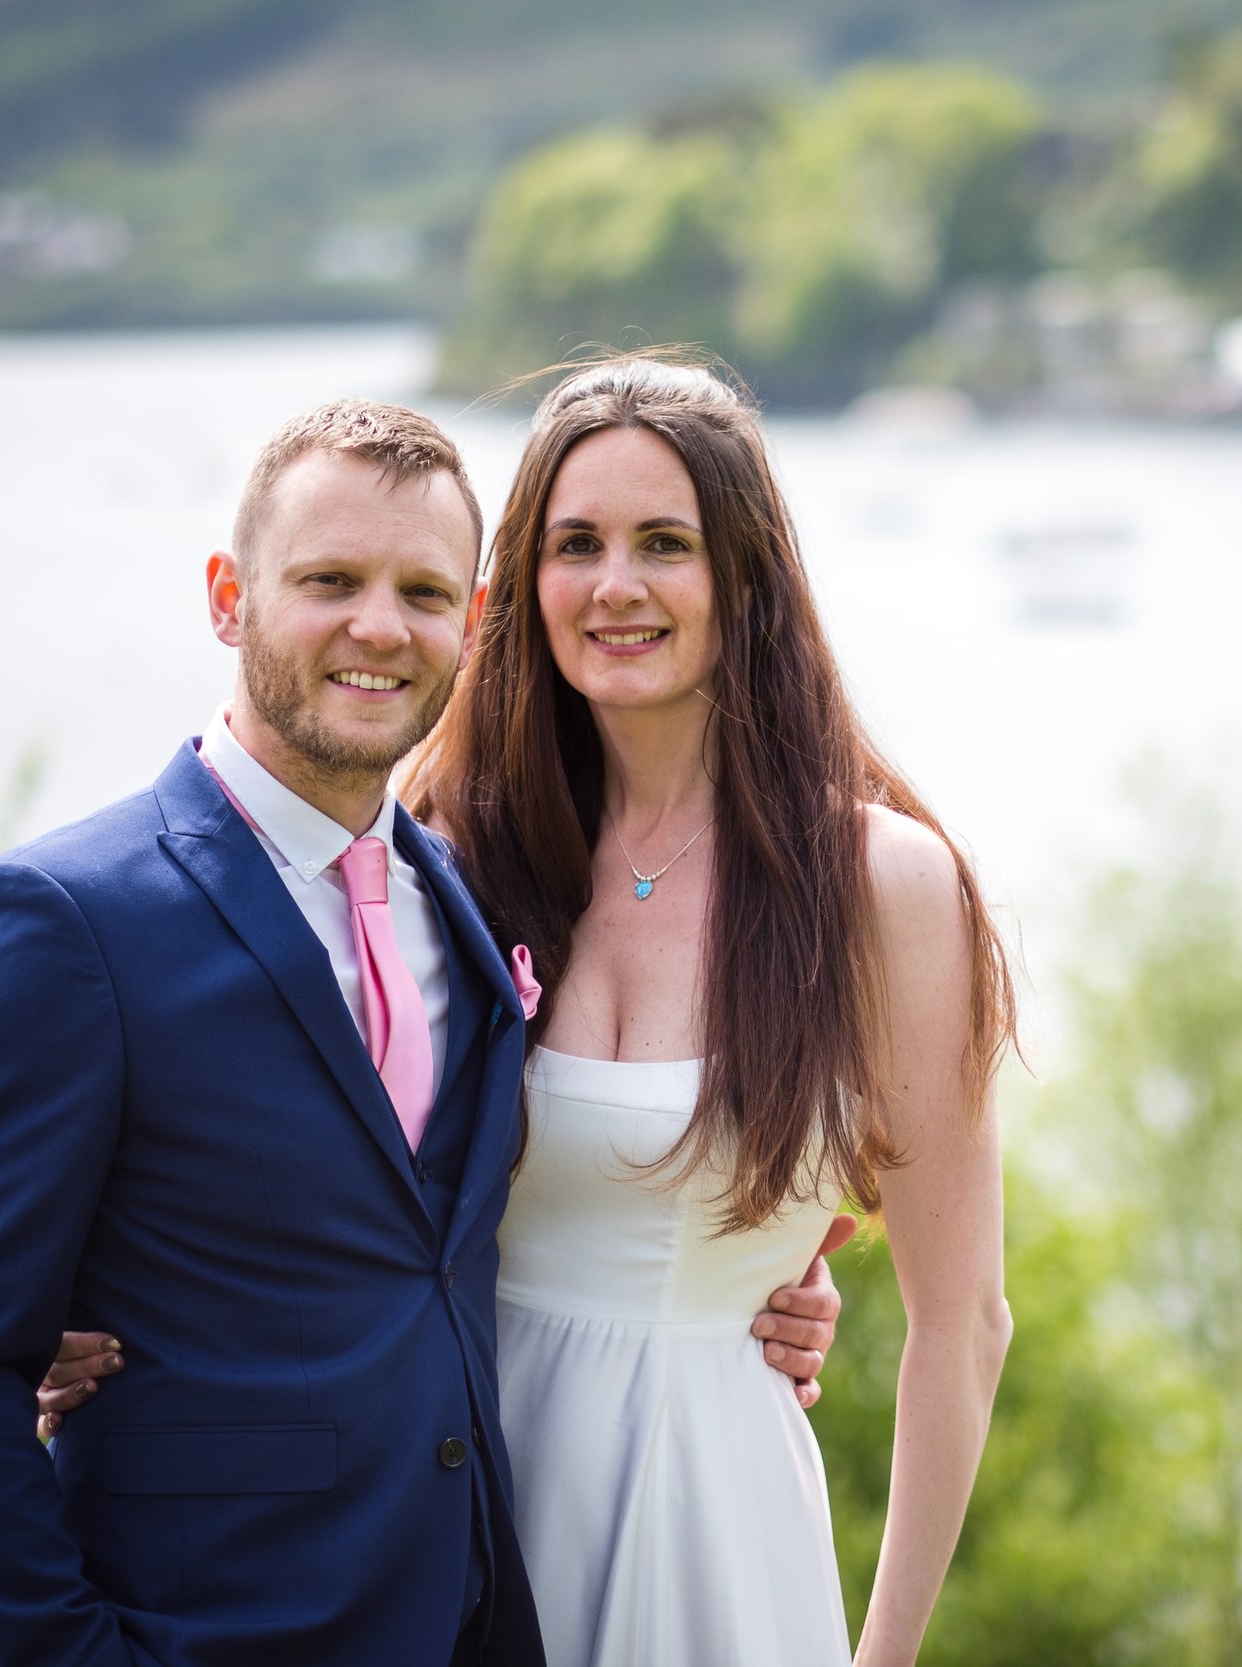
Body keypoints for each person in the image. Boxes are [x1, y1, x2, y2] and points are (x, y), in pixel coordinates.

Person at [0, 400, 841, 1667]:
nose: (379, 627)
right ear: (229, 597)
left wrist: (763, 1267)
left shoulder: (479, 899)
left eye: (422, 591)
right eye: (329, 579)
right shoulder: (66, 922)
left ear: (472, 624)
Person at [410, 353, 1015, 1666]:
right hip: (462, 1513)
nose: (615, 585)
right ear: (524, 583)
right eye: (577, 544)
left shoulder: (883, 886)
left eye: (665, 543)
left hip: (720, 1524)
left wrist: (883, 1655)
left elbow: (964, 1322)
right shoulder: (449, 850)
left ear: (745, 578)